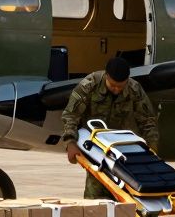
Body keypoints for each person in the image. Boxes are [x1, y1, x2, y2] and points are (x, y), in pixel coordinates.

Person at [61, 56, 160, 199]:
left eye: (121, 86)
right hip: (96, 148)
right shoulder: (89, 85)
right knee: (95, 194)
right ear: (106, 75)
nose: (116, 90)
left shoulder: (134, 89)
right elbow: (71, 114)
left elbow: (148, 121)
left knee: (125, 193)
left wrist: (152, 150)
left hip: (123, 149)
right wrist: (70, 142)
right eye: (113, 85)